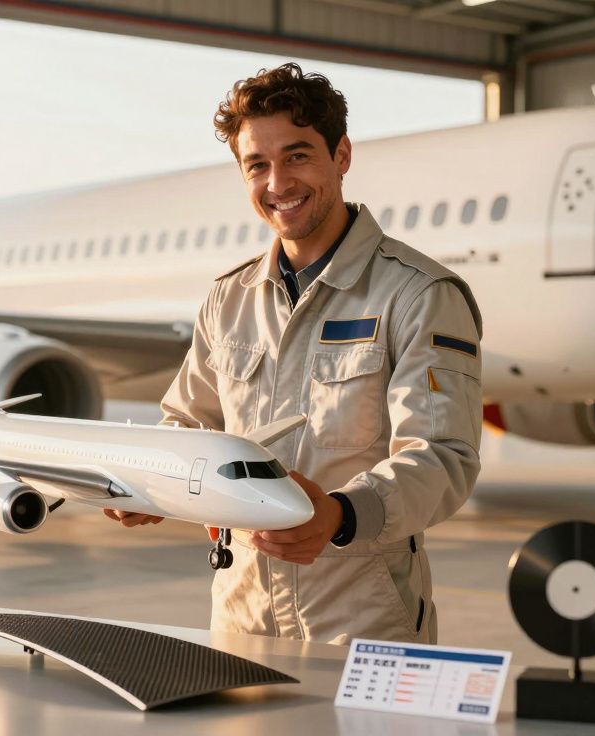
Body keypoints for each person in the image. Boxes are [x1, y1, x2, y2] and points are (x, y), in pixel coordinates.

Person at [104, 64, 483, 644]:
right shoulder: (229, 299)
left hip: (362, 618)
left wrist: (341, 515)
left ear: (342, 155)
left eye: (299, 155)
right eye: (257, 164)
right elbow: (187, 423)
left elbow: (442, 456)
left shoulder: (418, 294)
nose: (278, 182)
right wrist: (148, 482)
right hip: (241, 613)